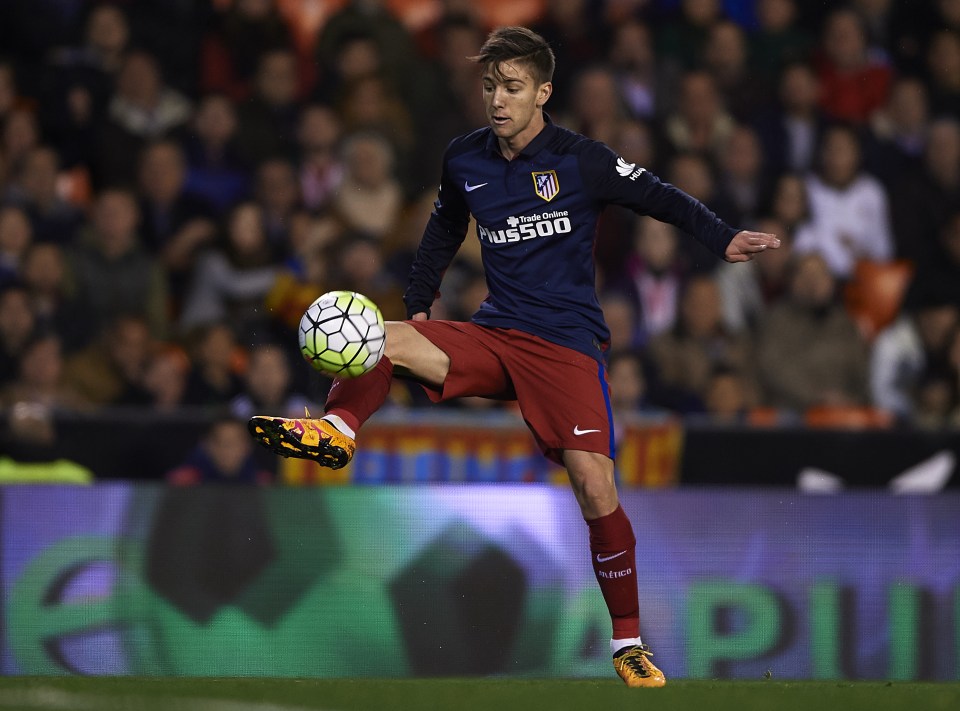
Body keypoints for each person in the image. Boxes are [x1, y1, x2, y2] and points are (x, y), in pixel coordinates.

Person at [248, 27, 779, 688]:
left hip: (564, 346)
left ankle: (628, 643)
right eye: (491, 86)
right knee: (377, 334)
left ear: (544, 92)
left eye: (513, 87)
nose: (498, 100)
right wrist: (420, 303)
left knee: (594, 483)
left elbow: (660, 196)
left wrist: (722, 237)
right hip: (496, 333)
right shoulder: (464, 157)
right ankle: (338, 430)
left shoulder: (581, 159)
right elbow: (444, 224)